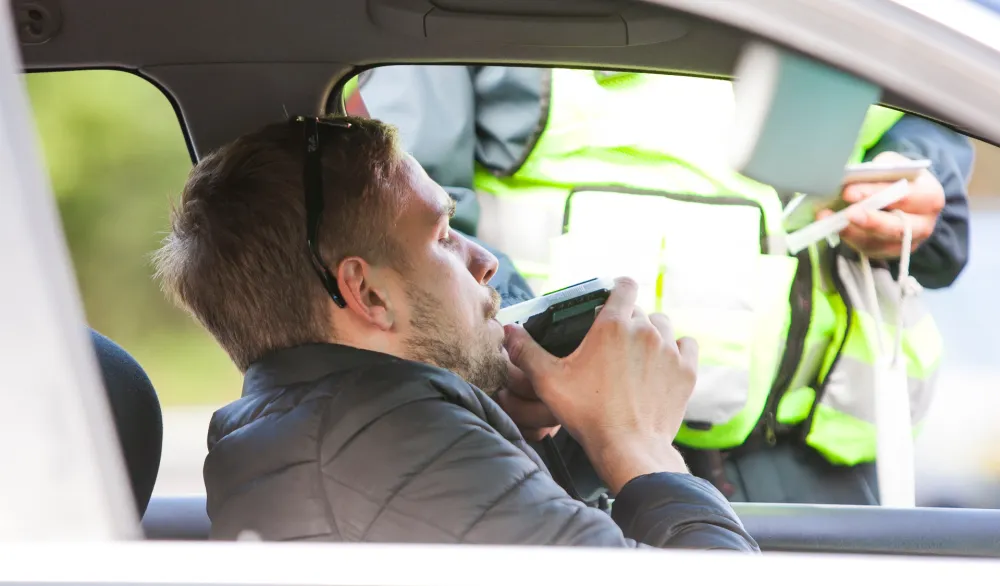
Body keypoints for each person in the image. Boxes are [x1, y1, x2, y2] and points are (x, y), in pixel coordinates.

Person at [347, 65, 974, 505]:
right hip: (563, 455)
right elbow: (412, 214)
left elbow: (932, 109)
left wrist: (915, 180)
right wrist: (521, 358)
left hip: (812, 467)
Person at [153, 115, 759, 549]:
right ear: (367, 293)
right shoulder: (394, 444)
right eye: (443, 236)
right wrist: (639, 445)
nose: (484, 261)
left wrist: (500, 416)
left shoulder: (329, 429)